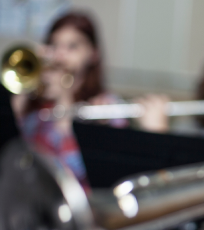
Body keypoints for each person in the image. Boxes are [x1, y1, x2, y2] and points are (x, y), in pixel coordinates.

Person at [11, 12, 127, 189]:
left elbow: (78, 172)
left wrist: (63, 100)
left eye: (72, 46)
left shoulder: (106, 106)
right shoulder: (33, 105)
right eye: (53, 45)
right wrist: (25, 93)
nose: (60, 55)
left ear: (93, 54)